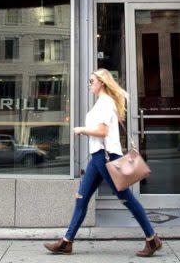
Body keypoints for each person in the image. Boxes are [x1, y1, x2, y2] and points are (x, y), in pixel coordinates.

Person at [44, 68, 162, 257]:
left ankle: (152, 238)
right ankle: (67, 242)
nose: (90, 84)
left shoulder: (105, 103)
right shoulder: (102, 102)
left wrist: (82, 129)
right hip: (97, 157)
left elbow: (102, 132)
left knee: (126, 198)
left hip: (105, 156)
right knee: (81, 198)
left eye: (92, 81)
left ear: (102, 83)